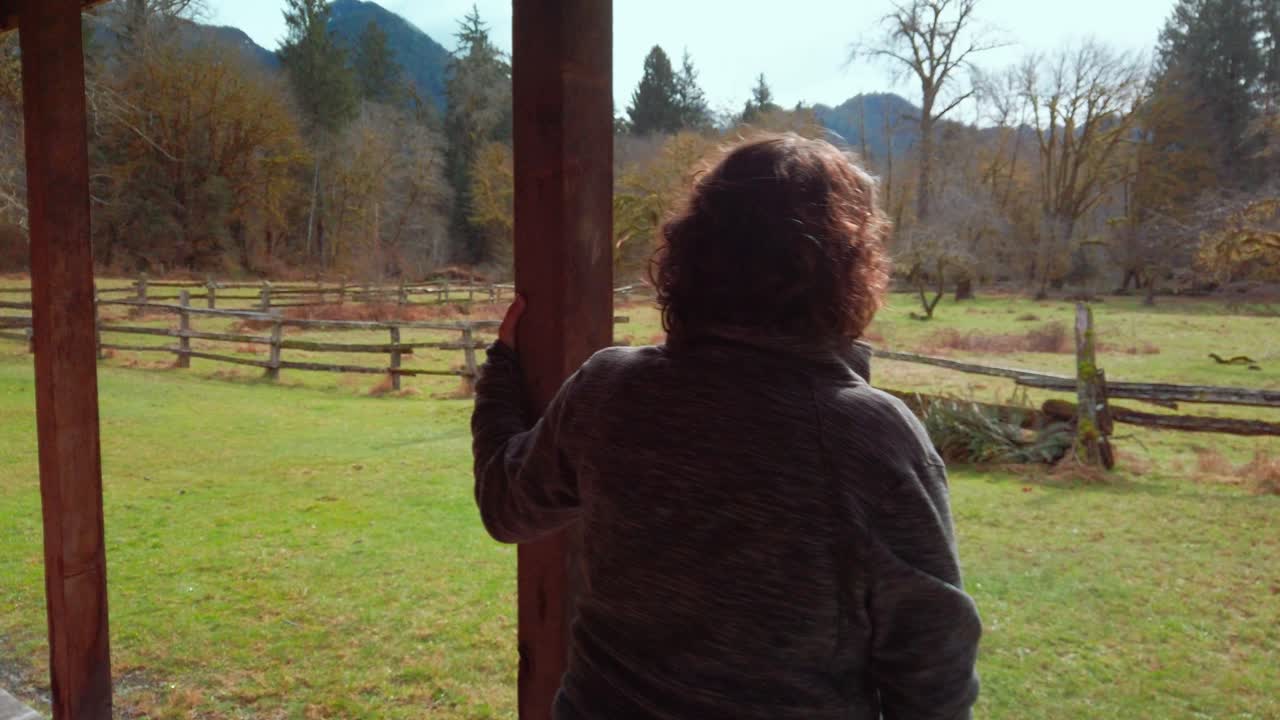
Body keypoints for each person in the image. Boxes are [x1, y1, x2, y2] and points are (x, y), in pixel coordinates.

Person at [471, 133, 981, 720]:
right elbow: (934, 684)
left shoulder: (608, 390)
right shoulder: (872, 438)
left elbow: (504, 505)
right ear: (848, 268)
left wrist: (503, 369)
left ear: (690, 252)